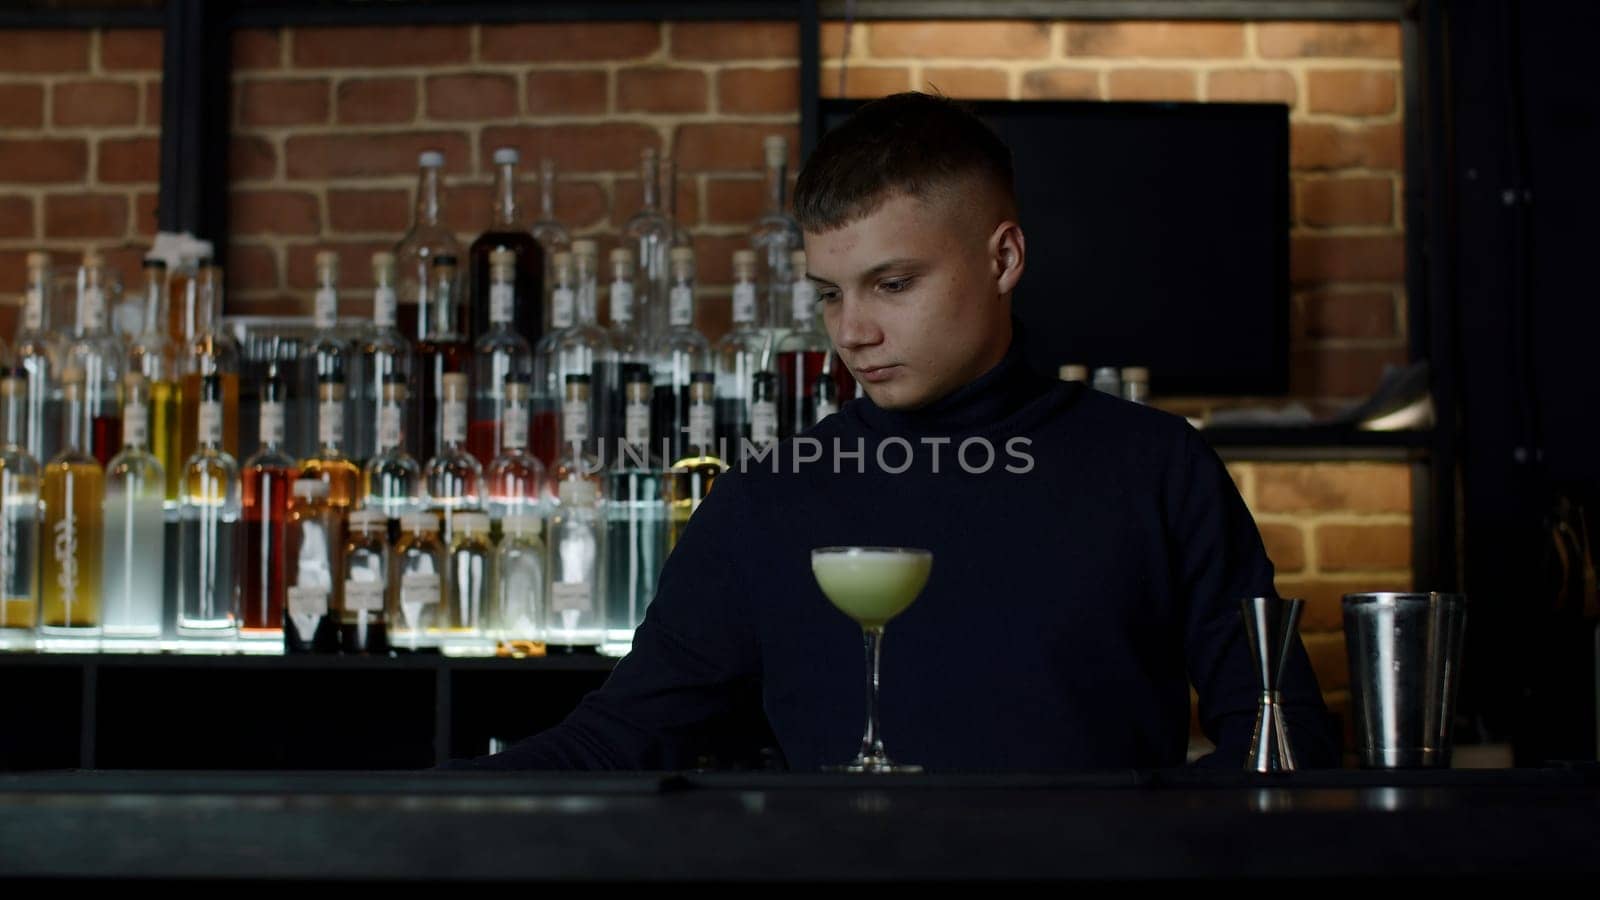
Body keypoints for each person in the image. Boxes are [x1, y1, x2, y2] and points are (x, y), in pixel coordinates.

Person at [443, 92, 1338, 772]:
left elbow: (1281, 736)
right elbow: (622, 737)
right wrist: (369, 799)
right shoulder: (770, 497)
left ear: (1004, 258)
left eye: (893, 284)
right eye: (830, 293)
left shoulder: (1155, 468)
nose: (851, 331)